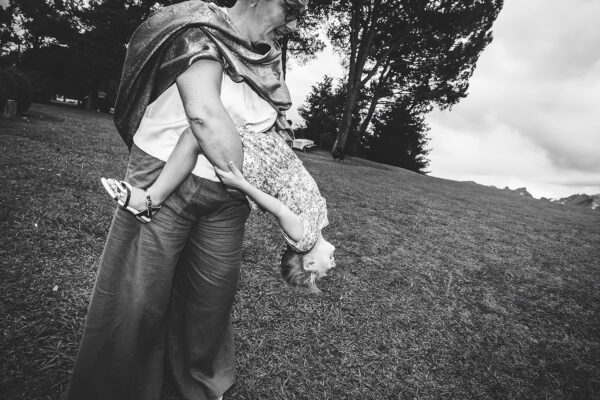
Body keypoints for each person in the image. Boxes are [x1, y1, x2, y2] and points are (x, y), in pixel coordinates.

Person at [62, 0, 310, 399]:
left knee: (210, 297)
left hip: (228, 197)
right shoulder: (199, 28)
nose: (294, 24)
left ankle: (198, 382)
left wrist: (275, 166)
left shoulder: (270, 55)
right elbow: (204, 115)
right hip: (166, 171)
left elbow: (273, 120)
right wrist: (261, 188)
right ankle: (113, 387)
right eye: (291, 9)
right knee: (138, 293)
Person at [102, 122, 336, 291]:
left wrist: (242, 185)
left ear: (310, 263)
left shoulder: (304, 239)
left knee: (198, 133)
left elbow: (280, 209)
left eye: (327, 271)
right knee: (202, 130)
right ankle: (150, 200)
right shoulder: (316, 227)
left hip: (265, 167)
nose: (333, 265)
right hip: (275, 160)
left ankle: (150, 201)